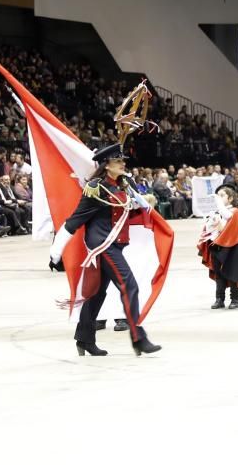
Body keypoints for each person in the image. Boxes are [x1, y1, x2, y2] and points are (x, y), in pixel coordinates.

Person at [49, 144, 162, 356]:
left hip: (114, 244)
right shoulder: (96, 187)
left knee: (97, 294)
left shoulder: (123, 184)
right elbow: (75, 219)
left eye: (123, 160)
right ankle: (138, 338)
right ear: (107, 165)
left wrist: (143, 203)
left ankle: (84, 339)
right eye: (118, 161)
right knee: (130, 286)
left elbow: (123, 209)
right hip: (103, 246)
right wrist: (56, 251)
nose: (123, 164)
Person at [198, 184, 238, 309]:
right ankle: (219, 299)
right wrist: (210, 222)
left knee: (232, 272)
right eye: (218, 196)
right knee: (219, 274)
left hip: (232, 248)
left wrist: (217, 202)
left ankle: (235, 299)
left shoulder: (234, 211)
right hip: (217, 246)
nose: (219, 198)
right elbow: (208, 229)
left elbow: (228, 216)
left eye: (222, 195)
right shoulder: (217, 212)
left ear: (230, 199)